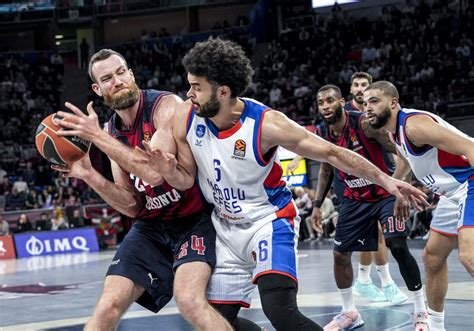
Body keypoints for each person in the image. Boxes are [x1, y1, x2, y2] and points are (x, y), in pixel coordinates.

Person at [135, 38, 427, 331]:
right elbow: (183, 179)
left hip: (268, 221)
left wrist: (387, 180)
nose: (189, 94)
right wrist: (166, 170)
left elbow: (332, 153)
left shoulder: (266, 124)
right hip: (224, 227)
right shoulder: (187, 115)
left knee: (280, 312)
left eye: (196, 87)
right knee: (215, 320)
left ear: (222, 91)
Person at [53, 49, 233, 330]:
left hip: (194, 220)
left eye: (121, 72)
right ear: (97, 89)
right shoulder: (112, 132)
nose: (118, 81)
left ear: (132, 74)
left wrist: (97, 136)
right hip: (150, 227)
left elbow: (154, 173)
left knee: (189, 301)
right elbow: (132, 205)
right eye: (108, 78)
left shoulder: (165, 107)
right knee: (106, 308)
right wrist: (88, 174)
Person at [308, 85, 429, 330]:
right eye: (321, 103)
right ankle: (349, 313)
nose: (326, 106)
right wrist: (317, 205)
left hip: (385, 195)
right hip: (354, 200)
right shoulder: (323, 133)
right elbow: (327, 169)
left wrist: (400, 188)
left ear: (342, 102)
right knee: (339, 254)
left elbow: (404, 155)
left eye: (330, 101)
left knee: (396, 245)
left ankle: (421, 311)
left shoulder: (364, 124)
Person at [363, 80, 474, 331]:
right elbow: (409, 160)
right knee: (433, 257)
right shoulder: (393, 132)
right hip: (449, 193)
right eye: (364, 102)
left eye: (374, 101)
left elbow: (470, 146)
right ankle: (435, 327)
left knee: (469, 256)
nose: (366, 107)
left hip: (469, 181)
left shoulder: (415, 125)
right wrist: (399, 190)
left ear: (393, 103)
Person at [288, 72, 399, 304]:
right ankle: (376, 282)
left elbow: (396, 145)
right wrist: (299, 158)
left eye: (365, 86)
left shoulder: (372, 117)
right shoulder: (337, 114)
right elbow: (318, 146)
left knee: (377, 235)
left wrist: (402, 175)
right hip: (350, 183)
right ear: (350, 90)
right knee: (368, 234)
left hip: (378, 177)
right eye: (357, 85)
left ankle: (367, 280)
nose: (361, 90)